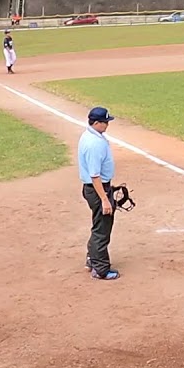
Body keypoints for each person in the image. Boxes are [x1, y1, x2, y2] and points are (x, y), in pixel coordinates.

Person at [79, 106, 120, 281]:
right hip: (97, 189)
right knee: (102, 229)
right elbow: (94, 175)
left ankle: (92, 259)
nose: (107, 125)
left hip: (96, 188)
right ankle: (101, 269)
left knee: (98, 225)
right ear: (96, 123)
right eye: (104, 122)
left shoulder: (91, 135)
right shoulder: (94, 144)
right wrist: (104, 198)